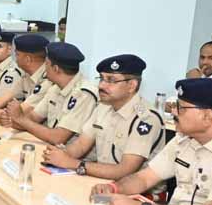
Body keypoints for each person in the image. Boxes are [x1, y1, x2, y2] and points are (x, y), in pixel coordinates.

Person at [43, 54, 166, 182]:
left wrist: (72, 163)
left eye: (111, 80)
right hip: (103, 180)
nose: (101, 85)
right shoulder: (104, 107)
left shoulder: (146, 118)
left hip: (136, 190)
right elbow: (80, 145)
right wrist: (59, 155)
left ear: (131, 85)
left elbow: (124, 170)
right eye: (101, 78)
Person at [2, 42, 98, 145]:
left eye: (46, 64)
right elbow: (33, 118)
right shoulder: (55, 88)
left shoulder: (84, 94)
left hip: (70, 153)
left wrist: (20, 119)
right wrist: (12, 120)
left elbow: (58, 138)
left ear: (56, 69)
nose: (44, 68)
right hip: (51, 147)